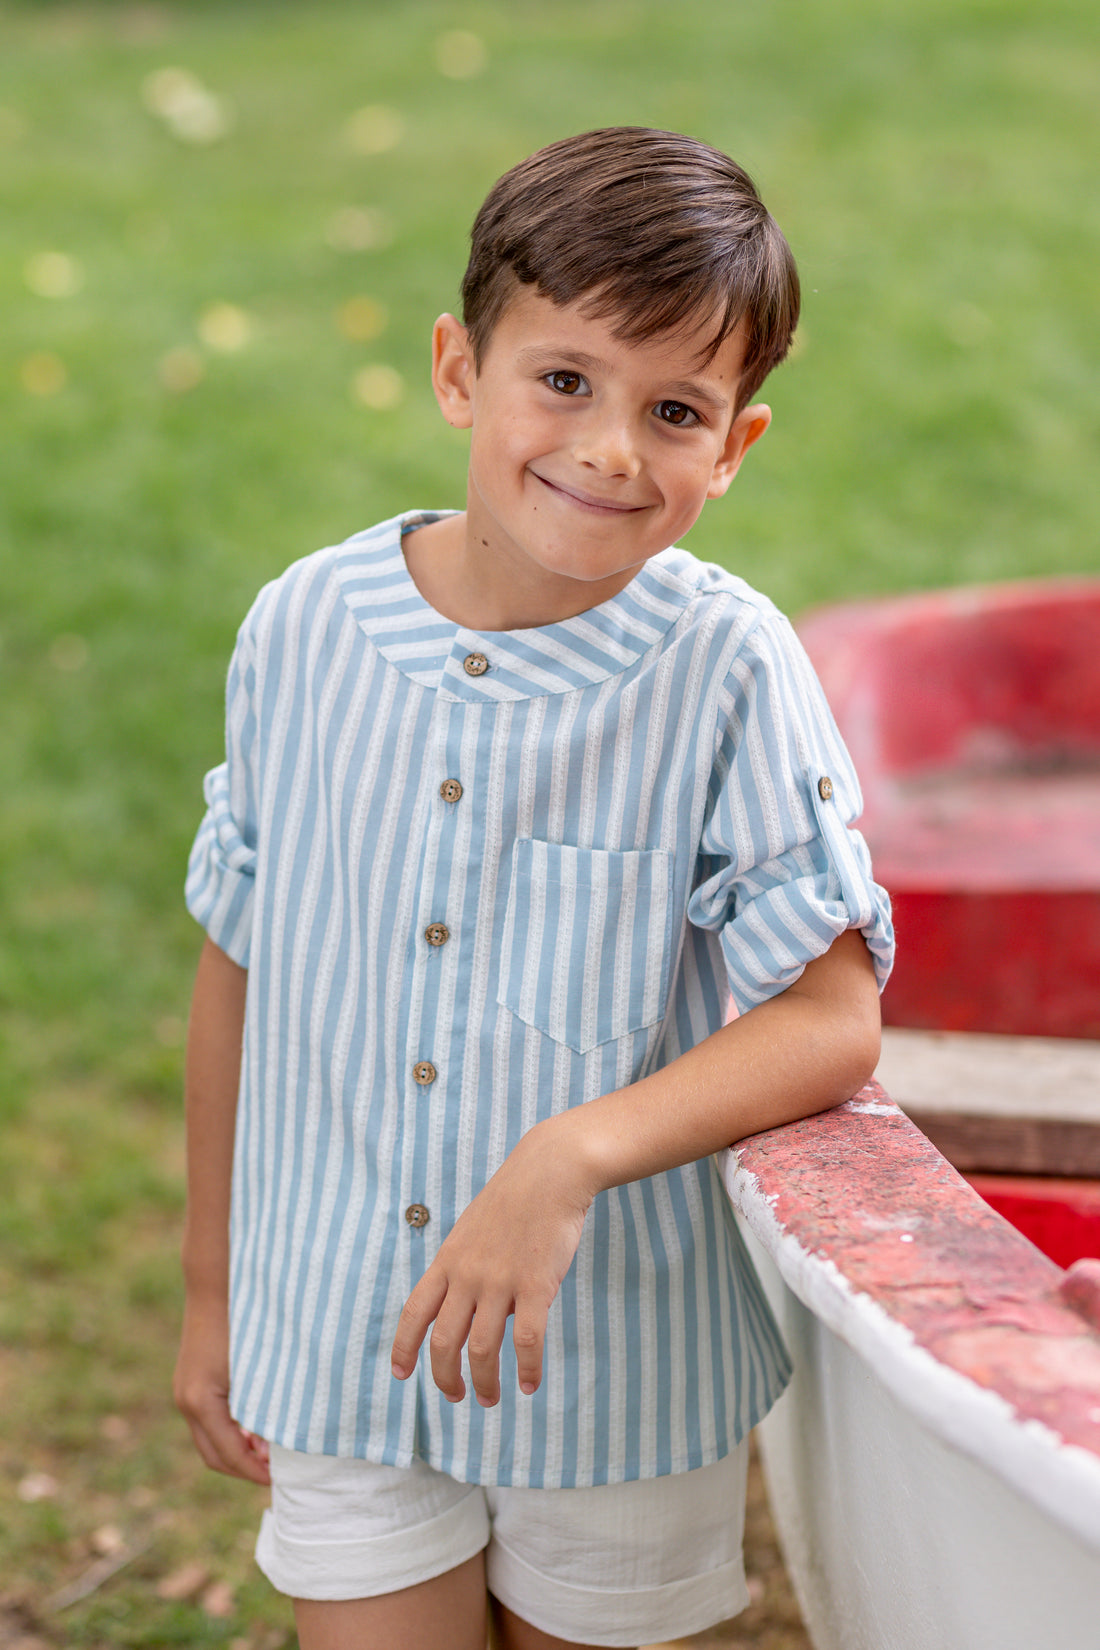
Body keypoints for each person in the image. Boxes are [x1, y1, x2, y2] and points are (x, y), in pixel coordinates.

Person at [175, 126, 894, 1650]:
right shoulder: (302, 630)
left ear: (736, 447)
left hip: (615, 1368)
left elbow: (830, 1021)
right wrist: (212, 1292)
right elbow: (240, 958)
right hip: (339, 1335)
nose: (611, 448)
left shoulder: (725, 668)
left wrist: (568, 1155)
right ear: (459, 370)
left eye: (675, 409)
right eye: (563, 379)